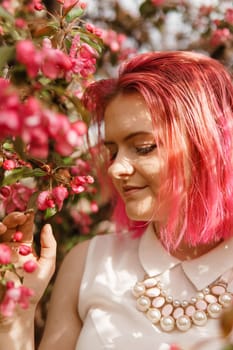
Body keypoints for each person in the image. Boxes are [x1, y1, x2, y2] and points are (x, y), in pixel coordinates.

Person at [1, 50, 233, 350]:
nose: (115, 168)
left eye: (144, 147)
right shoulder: (89, 263)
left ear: (209, 147)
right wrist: (15, 316)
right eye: (112, 151)